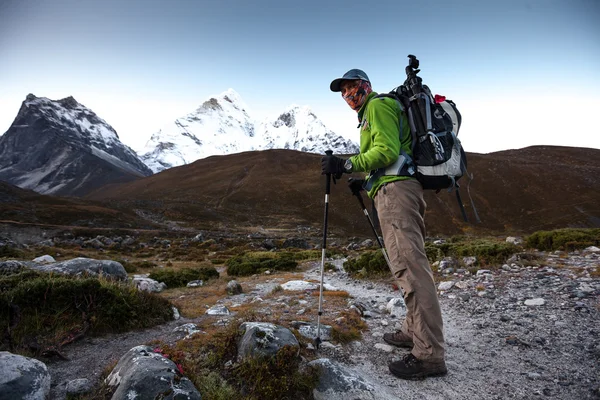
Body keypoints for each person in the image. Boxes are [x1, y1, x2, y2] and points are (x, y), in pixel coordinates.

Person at [321, 69, 447, 380]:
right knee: (405, 266)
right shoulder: (373, 111)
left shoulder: (376, 107)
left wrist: (346, 163)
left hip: (397, 195)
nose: (348, 95)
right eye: (343, 91)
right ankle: (412, 330)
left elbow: (387, 151)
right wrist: (364, 182)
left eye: (352, 87)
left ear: (365, 86)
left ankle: (429, 354)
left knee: (411, 269)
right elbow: (391, 156)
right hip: (394, 191)